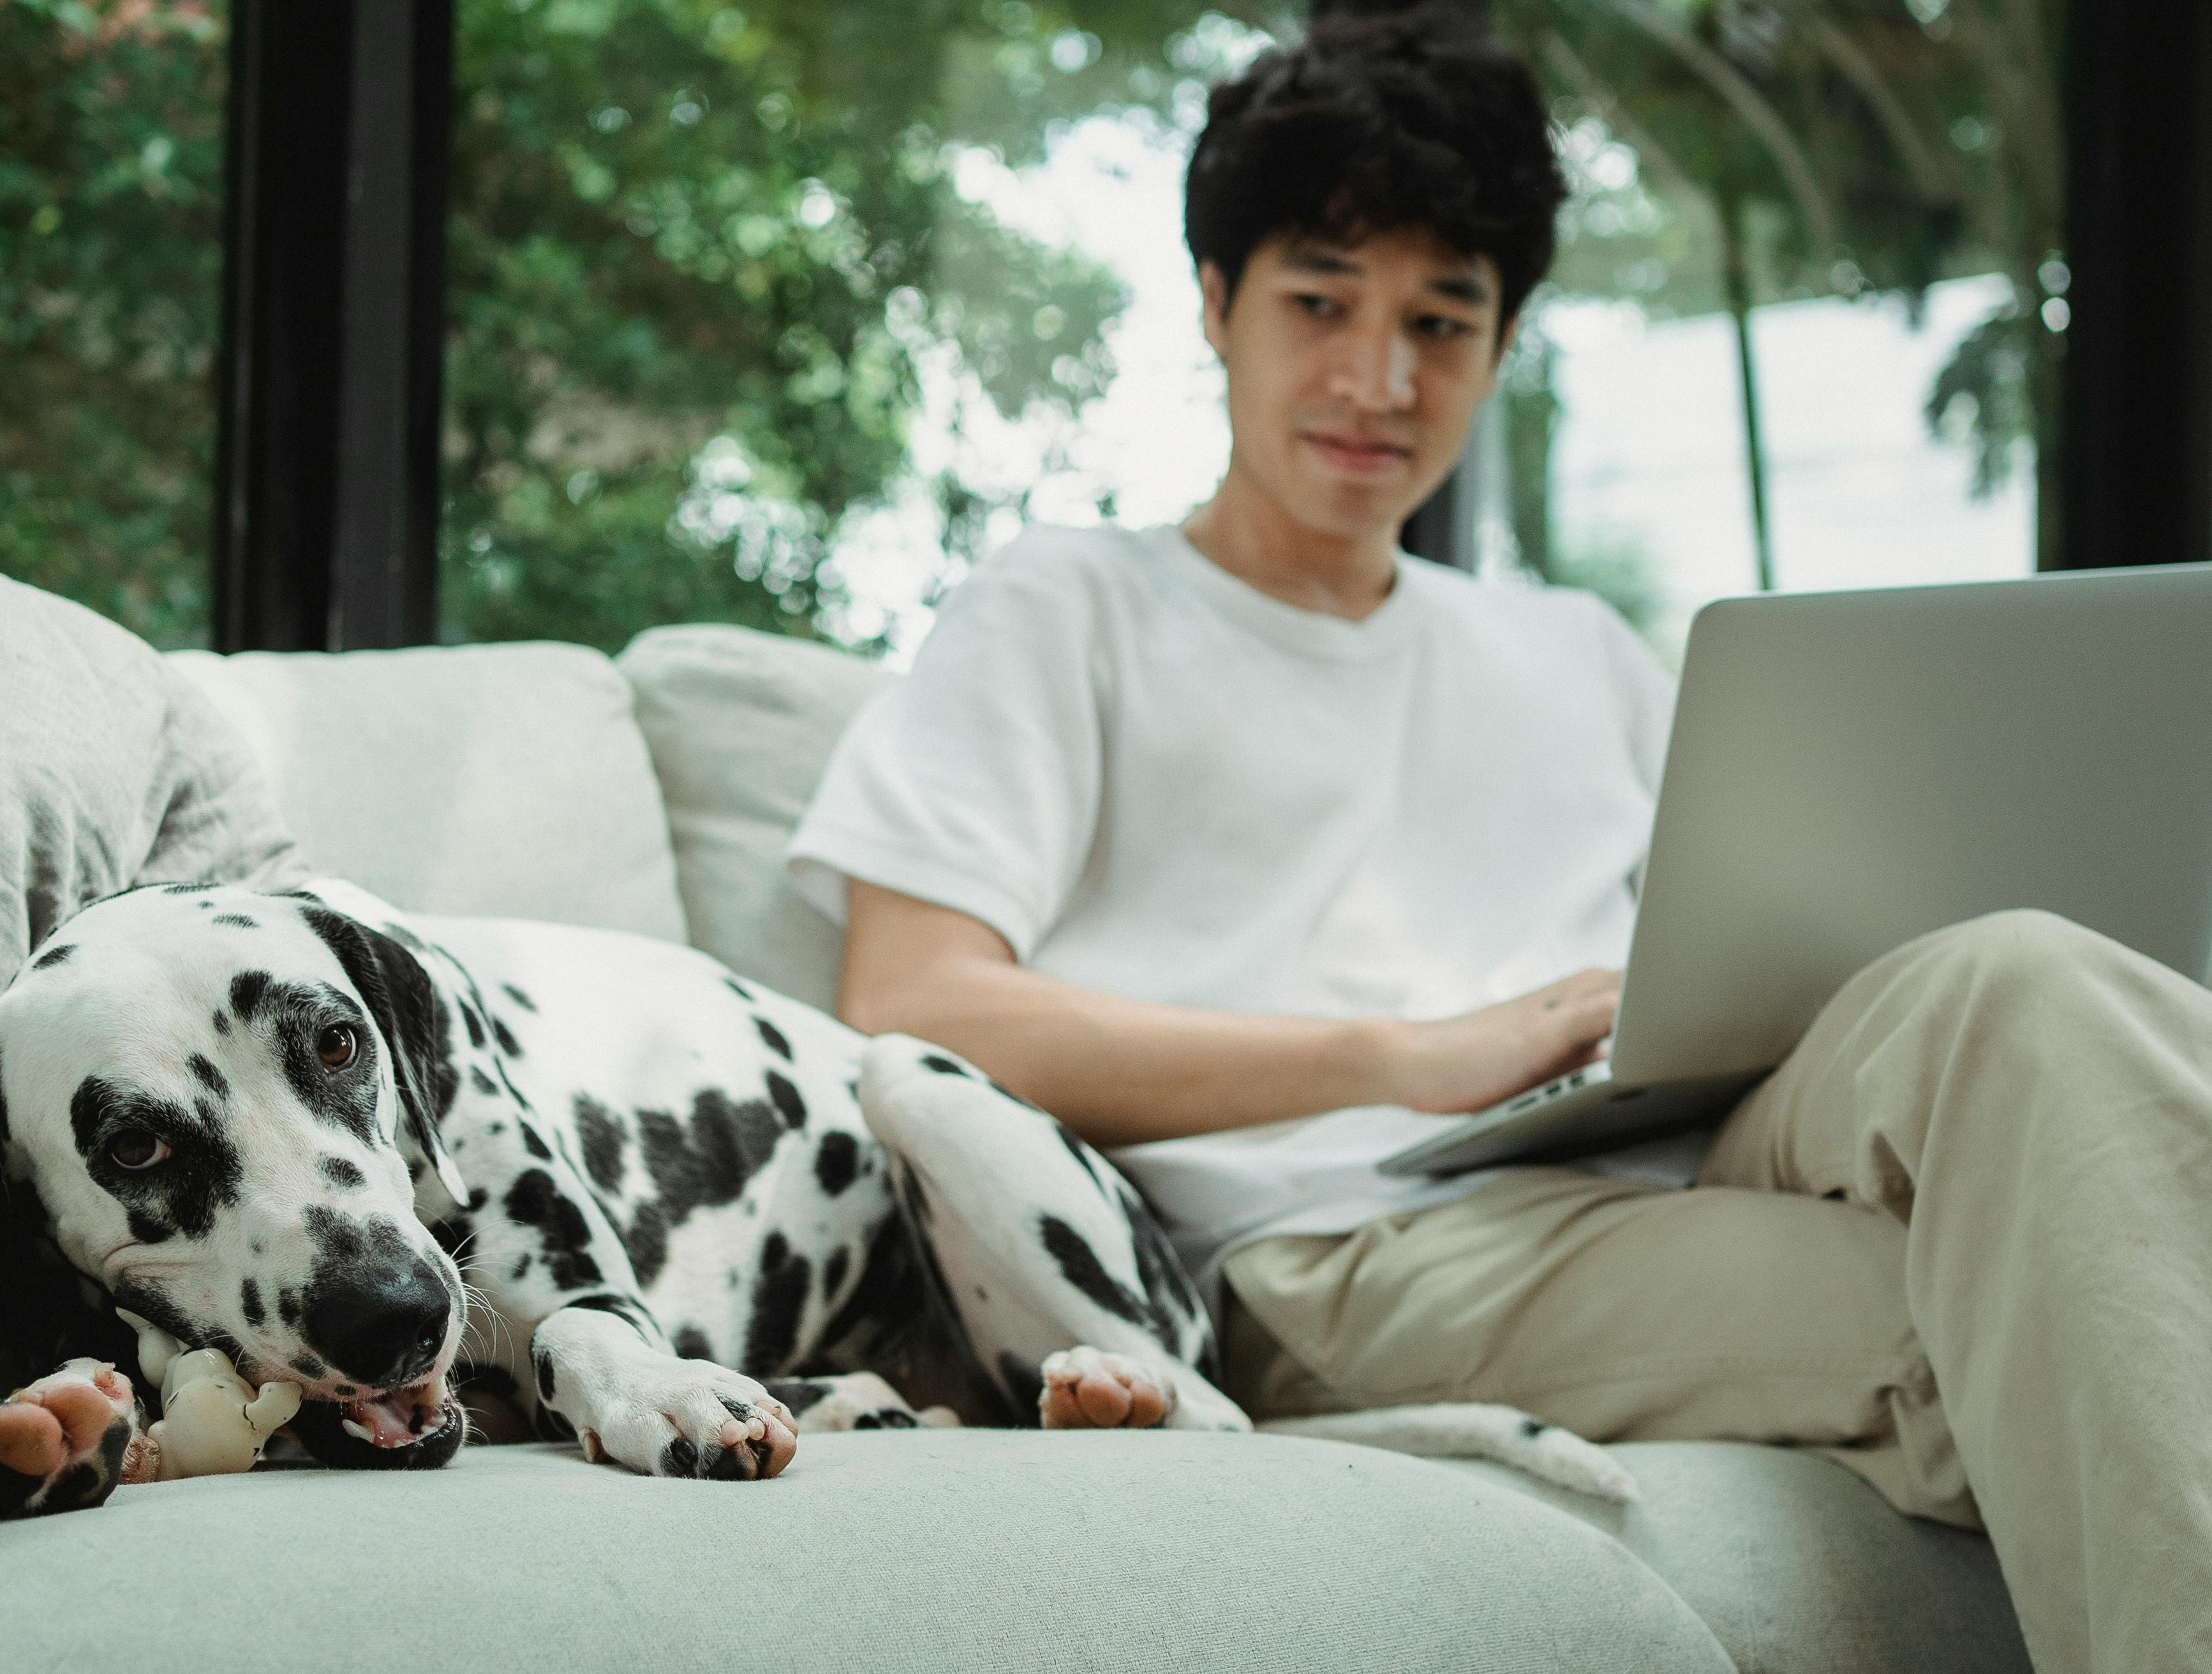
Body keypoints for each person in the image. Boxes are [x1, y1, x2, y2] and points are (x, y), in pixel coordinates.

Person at [784, 12, 2212, 1672]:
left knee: (2026, 973)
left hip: (1666, 1140)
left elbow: (1775, 953)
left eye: (1441, 322)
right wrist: (1404, 1055)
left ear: (1503, 338)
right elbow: (915, 1003)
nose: (1380, 382)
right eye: (1321, 303)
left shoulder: (1578, 652)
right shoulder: (1069, 607)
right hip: (1338, 1245)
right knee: (2109, 1301)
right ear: (1214, 305)